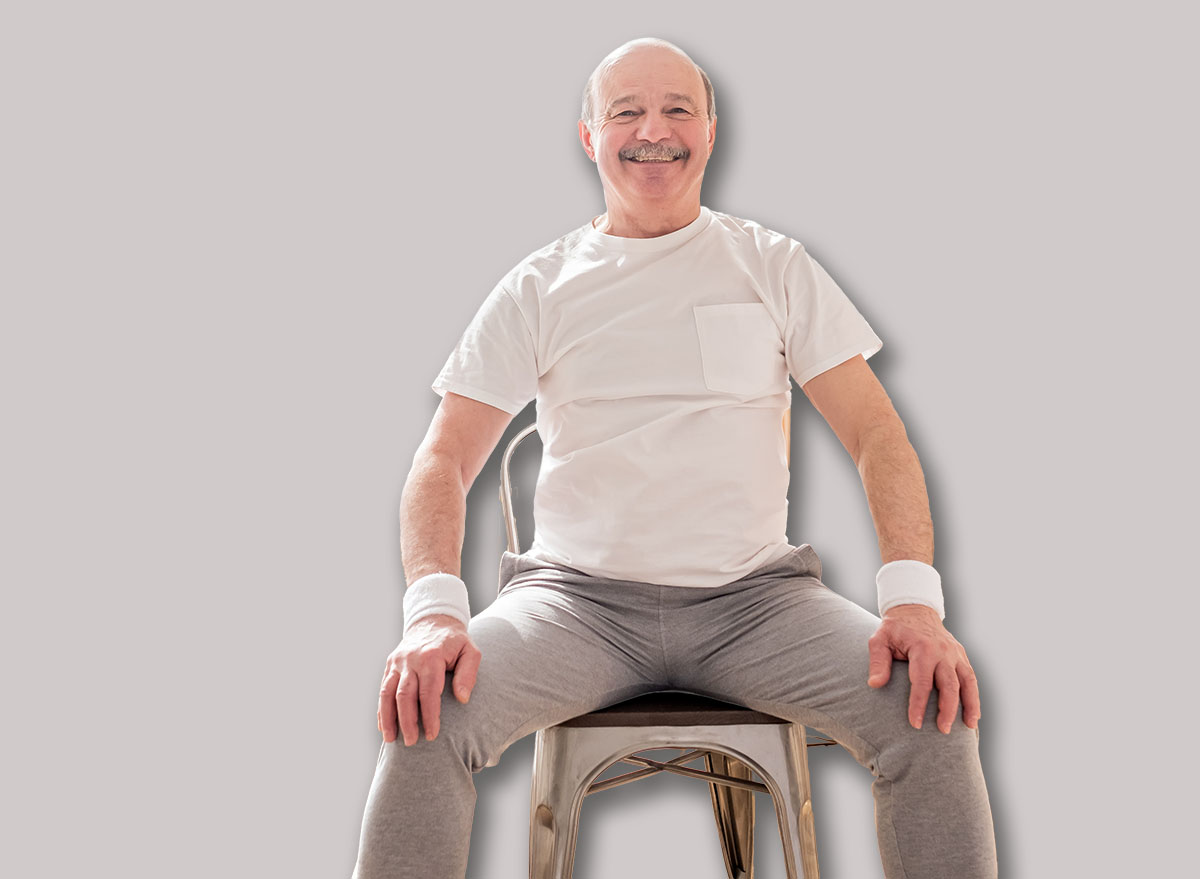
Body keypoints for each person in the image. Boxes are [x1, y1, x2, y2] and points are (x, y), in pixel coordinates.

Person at [352, 37, 997, 879]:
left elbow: (878, 435)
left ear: (711, 132)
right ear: (589, 137)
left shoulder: (774, 266)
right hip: (574, 606)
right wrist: (433, 610)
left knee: (932, 710)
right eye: (625, 111)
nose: (652, 130)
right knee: (425, 711)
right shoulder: (539, 285)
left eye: (676, 109)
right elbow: (443, 458)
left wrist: (913, 600)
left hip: (757, 604)